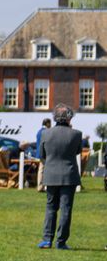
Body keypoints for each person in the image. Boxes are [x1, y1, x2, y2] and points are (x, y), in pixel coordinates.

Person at [37, 105, 83, 249]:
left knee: (51, 207)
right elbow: (77, 152)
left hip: (50, 174)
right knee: (66, 209)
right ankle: (61, 242)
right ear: (69, 117)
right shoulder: (76, 134)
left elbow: (42, 155)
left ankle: (46, 239)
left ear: (54, 117)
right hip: (69, 175)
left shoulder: (46, 134)